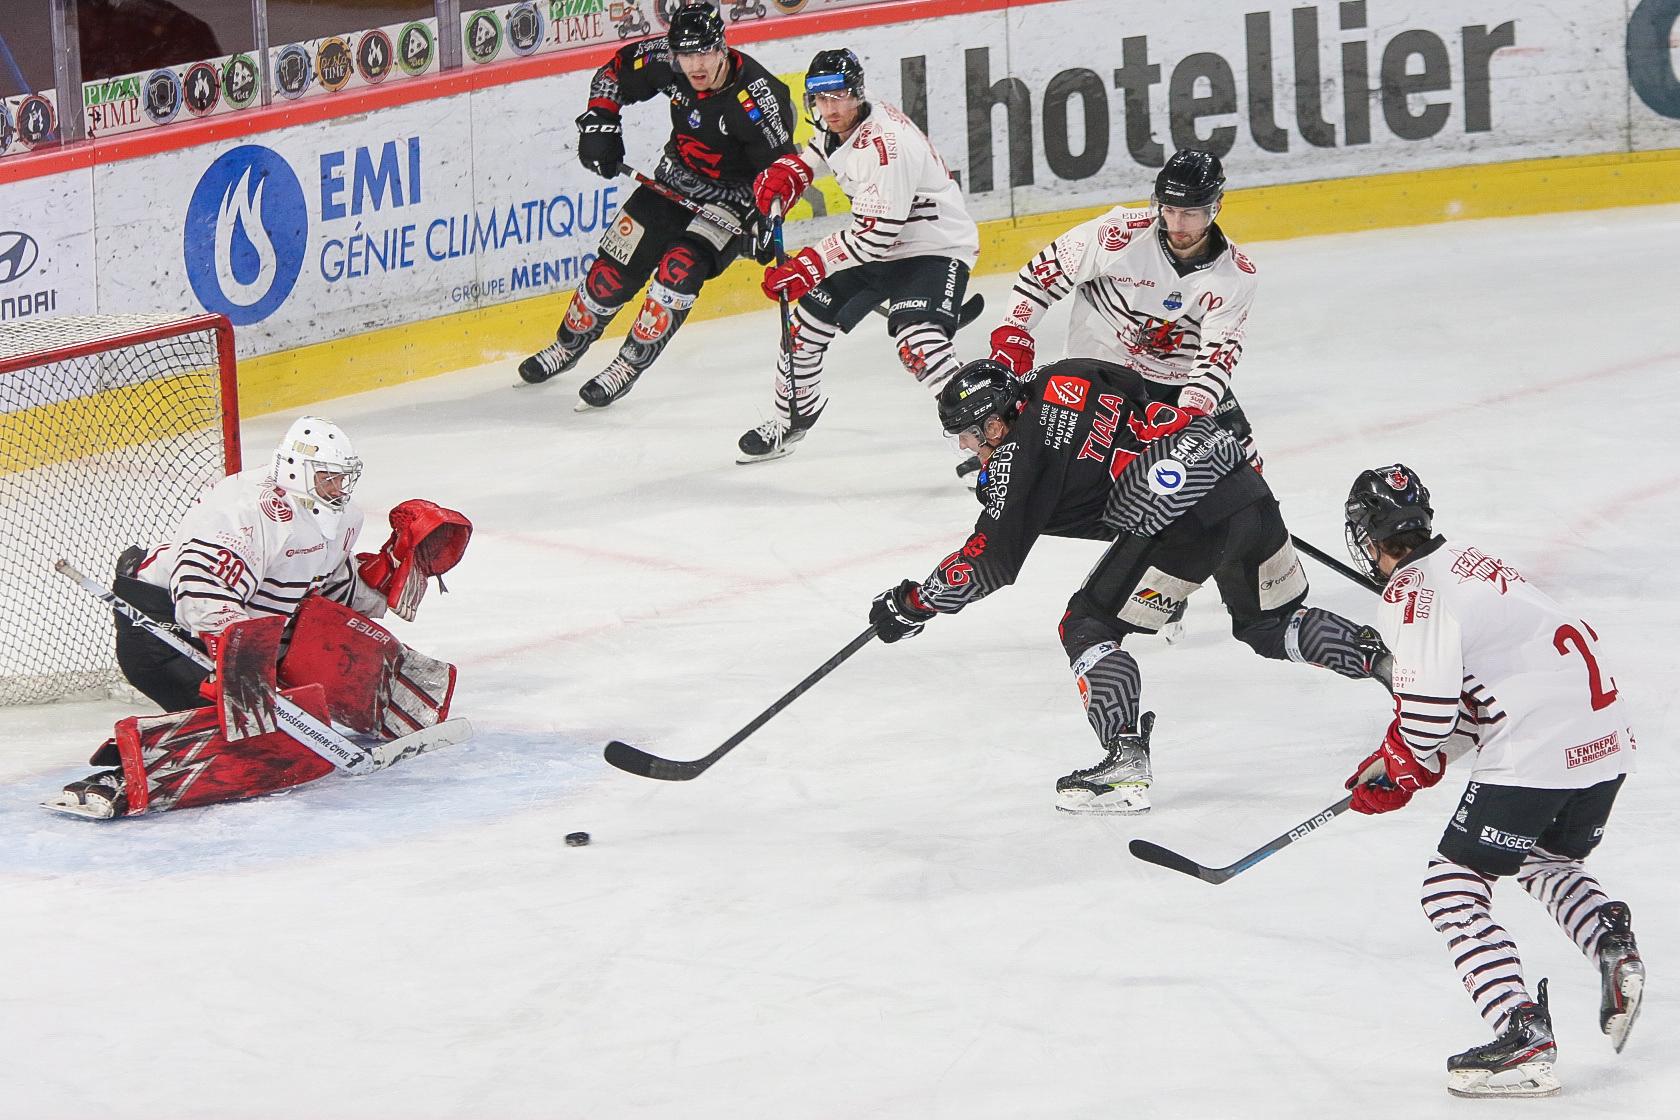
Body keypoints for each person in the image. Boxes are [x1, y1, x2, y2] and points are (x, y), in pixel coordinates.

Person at [865, 358, 1387, 813]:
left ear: (998, 422)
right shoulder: (1066, 374)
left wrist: (916, 603)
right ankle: (1404, 672)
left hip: (1181, 525)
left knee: (1087, 624)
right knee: (1272, 623)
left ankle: (1124, 761)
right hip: (1241, 483)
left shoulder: (1013, 468)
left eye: (972, 432)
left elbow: (989, 564)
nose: (967, 445)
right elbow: (1166, 390)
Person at [1340, 464, 1643, 1098]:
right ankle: (1609, 940)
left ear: (1368, 535)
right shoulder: (1472, 560)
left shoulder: (1411, 595)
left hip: (1539, 749)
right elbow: (1478, 704)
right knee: (1539, 858)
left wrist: (1405, 765)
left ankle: (1520, 1034)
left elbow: (1425, 720)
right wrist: (1402, 760)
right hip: (1606, 737)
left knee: (1450, 888)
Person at [46, 416, 470, 819]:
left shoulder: (343, 518)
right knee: (256, 729)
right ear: (296, 470)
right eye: (329, 476)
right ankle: (117, 778)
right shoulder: (243, 506)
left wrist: (381, 578)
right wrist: (237, 662)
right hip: (161, 621)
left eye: (344, 477)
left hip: (247, 627)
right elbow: (200, 589)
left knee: (301, 669)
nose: (339, 487)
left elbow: (323, 592)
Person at [518, 3, 797, 411]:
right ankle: (568, 345)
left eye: (703, 53)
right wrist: (601, 123)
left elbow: (782, 174)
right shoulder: (665, 61)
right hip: (671, 182)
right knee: (613, 267)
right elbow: (612, 74)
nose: (695, 65)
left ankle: (627, 366)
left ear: (722, 47)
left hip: (729, 203)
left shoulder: (757, 100)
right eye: (686, 55)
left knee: (678, 271)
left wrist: (764, 224)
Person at [740, 47, 980, 462]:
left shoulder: (887, 146)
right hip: (882, 247)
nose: (829, 107)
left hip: (933, 247)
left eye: (837, 96)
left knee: (918, 343)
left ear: (856, 93)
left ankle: (989, 435)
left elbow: (873, 239)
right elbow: (822, 151)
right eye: (819, 97)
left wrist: (809, 266)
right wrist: (795, 171)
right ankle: (793, 417)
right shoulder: (844, 123)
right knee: (804, 327)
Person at [986, 150, 1263, 469]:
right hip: (1101, 372)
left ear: (1216, 207)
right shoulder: (1117, 235)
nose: (1176, 224)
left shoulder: (1234, 274)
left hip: (1177, 381)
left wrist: (1190, 413)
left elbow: (1217, 354)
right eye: (1169, 209)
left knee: (1244, 464)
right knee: (1083, 468)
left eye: (1190, 214)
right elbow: (1042, 276)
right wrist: (1013, 330)